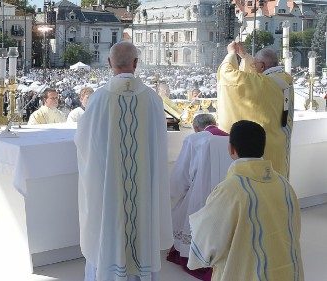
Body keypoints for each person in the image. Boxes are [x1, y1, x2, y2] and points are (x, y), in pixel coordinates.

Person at [75, 41, 173, 281]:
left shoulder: (98, 99)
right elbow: (159, 145)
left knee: (107, 225)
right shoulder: (152, 99)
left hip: (110, 191)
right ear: (136, 63)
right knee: (141, 228)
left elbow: (84, 141)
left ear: (109, 63)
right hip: (143, 191)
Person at [188, 120, 303, 281]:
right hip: (287, 272)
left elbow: (208, 242)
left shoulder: (231, 189)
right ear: (263, 147)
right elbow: (294, 230)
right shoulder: (284, 184)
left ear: (231, 149)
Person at [217, 42, 294, 178]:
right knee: (276, 184)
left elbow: (228, 75)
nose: (253, 67)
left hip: (262, 147)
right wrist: (244, 56)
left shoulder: (263, 83)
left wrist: (231, 54)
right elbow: (256, 76)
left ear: (262, 66)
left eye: (255, 64)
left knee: (258, 187)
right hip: (280, 144)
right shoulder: (285, 79)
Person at [167, 114, 229, 281]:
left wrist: (173, 195)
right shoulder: (231, 139)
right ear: (215, 123)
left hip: (202, 194)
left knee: (185, 214)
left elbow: (181, 175)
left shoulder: (194, 140)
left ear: (195, 127)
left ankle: (195, 256)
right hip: (227, 195)